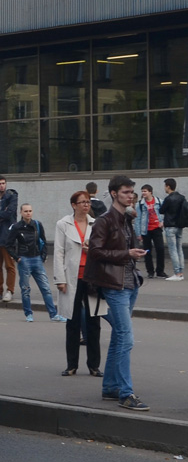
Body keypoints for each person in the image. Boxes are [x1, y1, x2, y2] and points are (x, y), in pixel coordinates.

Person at [85, 174, 150, 411]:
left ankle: (111, 387)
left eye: (131, 192)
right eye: (125, 192)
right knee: (126, 337)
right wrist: (127, 255)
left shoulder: (126, 219)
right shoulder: (105, 220)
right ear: (114, 194)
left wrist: (134, 253)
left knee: (119, 337)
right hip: (114, 287)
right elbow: (95, 251)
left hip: (130, 284)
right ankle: (126, 393)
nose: (130, 196)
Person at [53, 191, 101, 376]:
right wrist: (60, 279)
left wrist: (92, 251)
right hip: (71, 277)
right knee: (72, 322)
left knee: (93, 321)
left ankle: (94, 366)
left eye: (88, 202)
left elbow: (102, 250)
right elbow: (58, 252)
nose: (86, 205)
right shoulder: (63, 224)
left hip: (92, 278)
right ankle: (71, 365)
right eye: (82, 202)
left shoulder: (96, 224)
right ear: (73, 205)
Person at [6, 204, 66, 322]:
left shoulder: (37, 225)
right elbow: (8, 245)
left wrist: (42, 256)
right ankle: (29, 314)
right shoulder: (17, 227)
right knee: (25, 289)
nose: (28, 213)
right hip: (24, 260)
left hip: (36, 259)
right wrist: (17, 258)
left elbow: (42, 240)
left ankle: (53, 314)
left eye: (30, 211)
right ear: (21, 213)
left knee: (46, 288)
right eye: (26, 211)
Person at [134, 184, 167, 278]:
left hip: (156, 228)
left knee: (160, 249)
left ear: (150, 192)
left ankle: (160, 271)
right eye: (142, 191)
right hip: (146, 230)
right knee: (147, 251)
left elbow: (165, 213)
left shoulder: (159, 202)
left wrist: (163, 222)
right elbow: (138, 219)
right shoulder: (140, 204)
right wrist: (138, 233)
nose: (143, 193)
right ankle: (150, 271)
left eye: (145, 191)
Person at [0, 176, 18, 302]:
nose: (1, 186)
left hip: (7, 235)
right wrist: (2, 214)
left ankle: (10, 290)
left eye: (3, 183)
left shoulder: (11, 196)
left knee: (9, 265)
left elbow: (10, 212)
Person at [161, 178, 187, 281]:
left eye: (165, 186)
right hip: (179, 225)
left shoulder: (168, 199)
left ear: (168, 186)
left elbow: (162, 210)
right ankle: (180, 272)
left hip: (170, 226)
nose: (164, 188)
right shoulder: (182, 198)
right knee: (179, 249)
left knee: (173, 250)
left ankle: (177, 273)